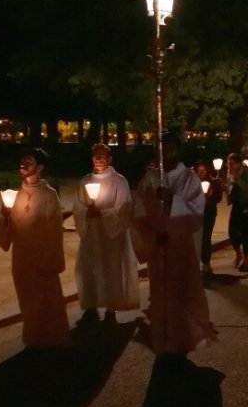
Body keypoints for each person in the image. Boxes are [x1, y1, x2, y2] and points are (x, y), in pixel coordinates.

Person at [133, 133, 217, 355]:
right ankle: (162, 339)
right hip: (157, 248)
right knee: (160, 294)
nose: (165, 153)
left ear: (178, 150)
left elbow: (196, 214)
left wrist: (172, 200)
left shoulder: (189, 178)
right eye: (161, 148)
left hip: (180, 247)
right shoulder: (149, 179)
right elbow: (138, 214)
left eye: (170, 148)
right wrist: (152, 236)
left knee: (181, 292)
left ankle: (183, 340)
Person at [0, 148, 70, 348]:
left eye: (28, 162)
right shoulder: (14, 195)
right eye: (22, 161)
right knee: (27, 299)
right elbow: (5, 229)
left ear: (39, 168)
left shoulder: (49, 195)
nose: (22, 165)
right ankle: (33, 338)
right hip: (21, 257)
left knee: (46, 299)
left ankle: (52, 338)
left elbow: (55, 232)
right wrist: (5, 217)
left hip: (42, 256)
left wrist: (51, 259)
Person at [72, 144, 139, 325]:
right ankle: (91, 308)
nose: (98, 159)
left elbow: (124, 206)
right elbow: (77, 205)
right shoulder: (85, 181)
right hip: (92, 234)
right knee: (89, 270)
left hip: (111, 237)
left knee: (111, 271)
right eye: (95, 156)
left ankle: (111, 309)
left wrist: (103, 214)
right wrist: (86, 212)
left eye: (102, 156)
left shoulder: (119, 181)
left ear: (110, 158)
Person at [226, 153, 248, 271]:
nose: (230, 166)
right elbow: (230, 188)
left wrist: (237, 178)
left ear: (239, 163)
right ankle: (238, 253)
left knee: (246, 233)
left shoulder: (246, 172)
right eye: (228, 163)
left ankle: (246, 260)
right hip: (237, 205)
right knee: (232, 231)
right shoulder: (229, 173)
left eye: (232, 163)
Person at [195, 161, 223, 272]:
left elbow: (219, 198)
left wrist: (210, 197)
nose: (201, 173)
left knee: (206, 237)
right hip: (196, 214)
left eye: (204, 170)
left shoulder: (213, 182)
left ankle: (206, 262)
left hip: (209, 213)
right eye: (199, 170)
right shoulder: (193, 183)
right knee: (197, 238)